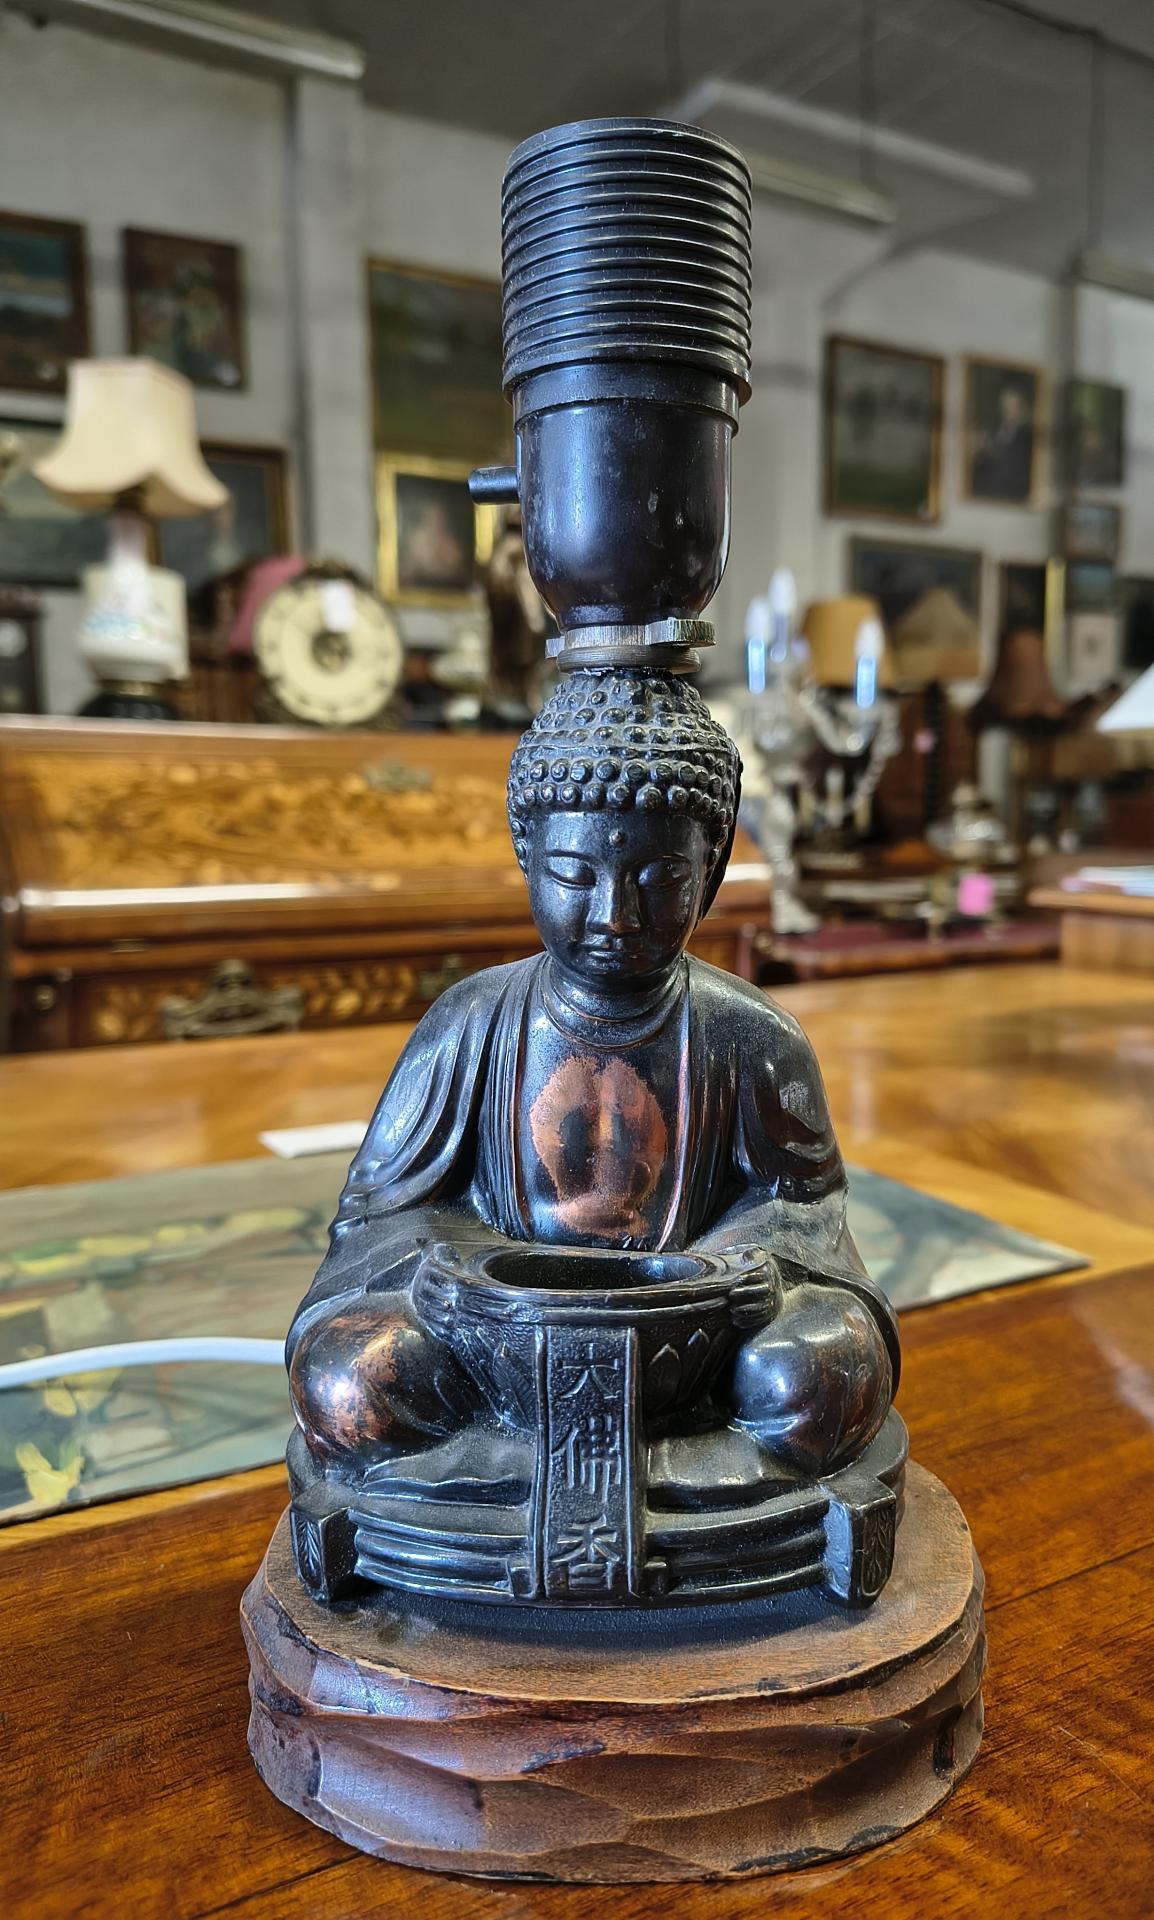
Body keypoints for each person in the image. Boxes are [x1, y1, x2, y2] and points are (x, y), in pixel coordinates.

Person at [288, 669, 897, 1482]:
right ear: (527, 859)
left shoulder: (754, 1036)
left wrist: (752, 1267)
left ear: (711, 872)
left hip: (693, 1334)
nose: (615, 916)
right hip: (496, 1334)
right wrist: (441, 1272)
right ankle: (653, 1477)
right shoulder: (469, 1023)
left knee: (821, 1373)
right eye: (575, 876)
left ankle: (511, 1476)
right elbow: (379, 1215)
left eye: (660, 881)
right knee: (349, 1378)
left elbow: (804, 1208)